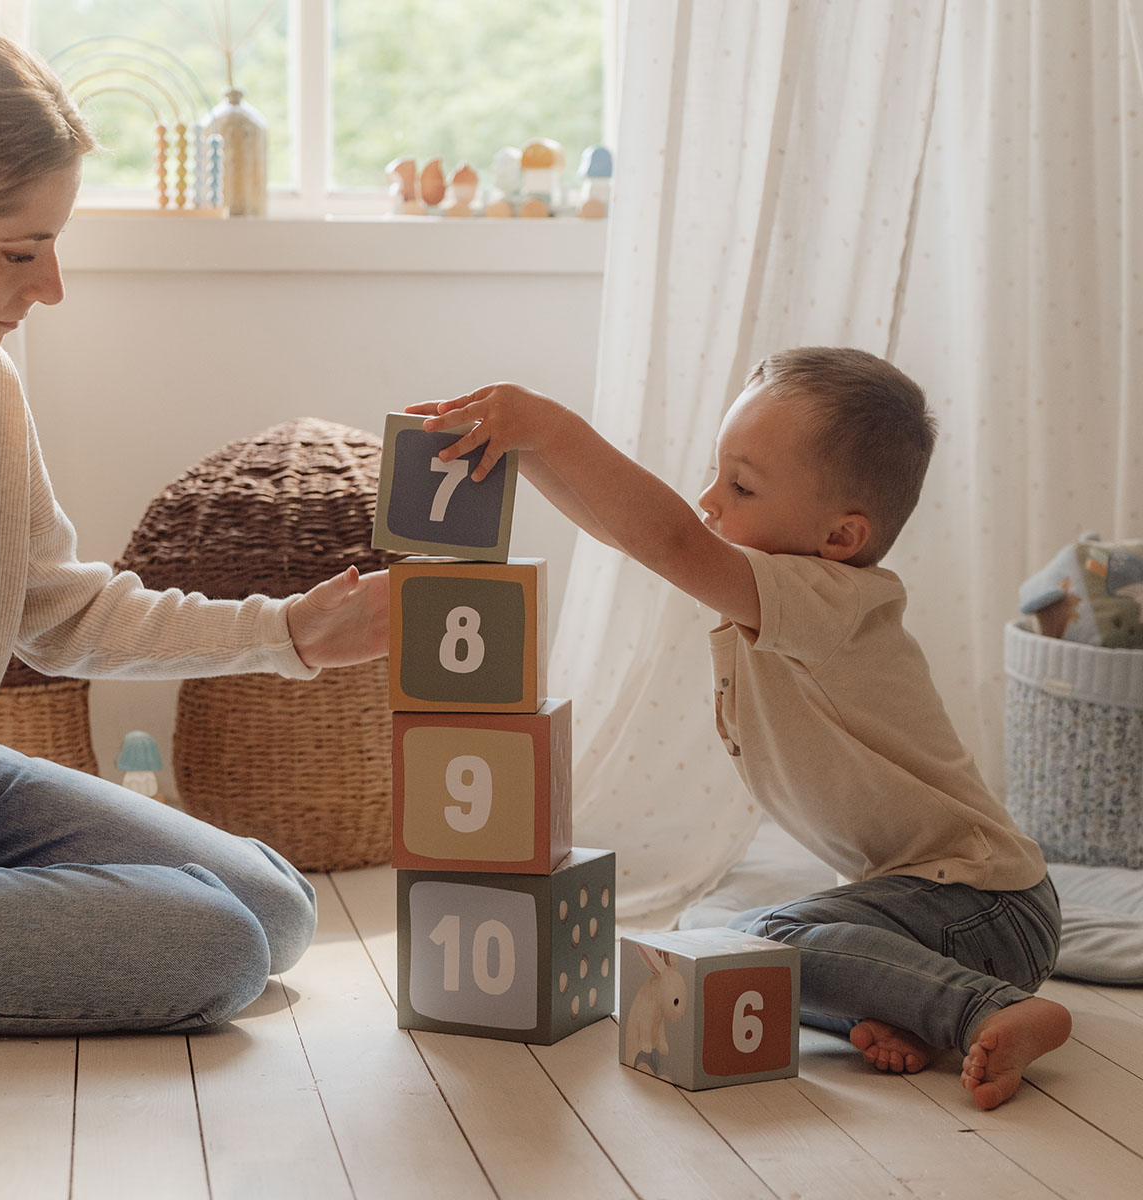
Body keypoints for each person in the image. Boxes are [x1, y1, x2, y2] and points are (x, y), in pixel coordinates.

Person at [408, 347, 1072, 1110]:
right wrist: (521, 450)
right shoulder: (783, 591)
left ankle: (990, 1009)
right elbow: (629, 535)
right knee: (703, 937)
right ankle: (907, 1007)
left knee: (760, 940)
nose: (710, 500)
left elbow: (669, 541)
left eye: (742, 485)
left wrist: (552, 427)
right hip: (928, 910)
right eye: (718, 473)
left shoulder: (825, 599)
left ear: (840, 538)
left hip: (988, 907)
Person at [0, 19, 388, 1034]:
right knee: (214, 946)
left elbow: (58, 611)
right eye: (18, 251)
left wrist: (291, 633)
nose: (49, 288)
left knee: (273, 907)